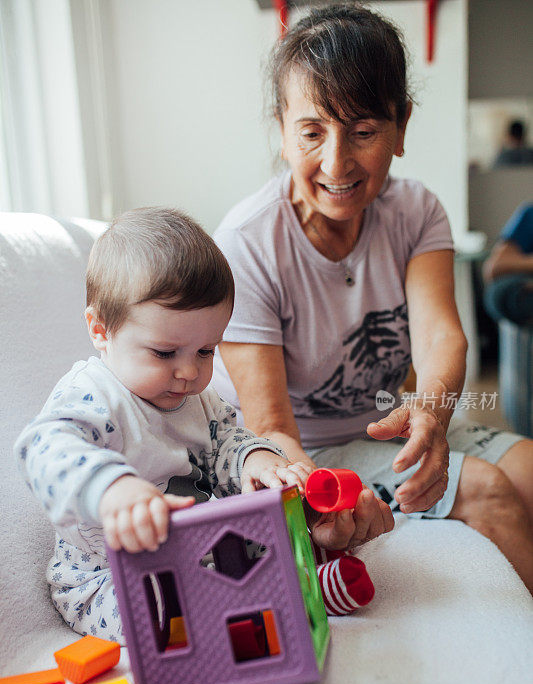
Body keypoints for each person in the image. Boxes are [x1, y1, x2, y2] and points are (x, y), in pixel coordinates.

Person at [211, 3, 533, 592]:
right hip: (306, 450)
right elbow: (271, 428)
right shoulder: (246, 244)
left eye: (363, 131)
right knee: (487, 488)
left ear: (401, 127)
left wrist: (432, 413)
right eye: (312, 132)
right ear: (281, 131)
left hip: (388, 425)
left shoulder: (415, 211)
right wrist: (321, 503)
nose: (337, 163)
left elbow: (440, 335)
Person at [14, 207, 374, 643]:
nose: (188, 372)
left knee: (283, 519)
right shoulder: (94, 395)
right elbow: (42, 447)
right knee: (167, 614)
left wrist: (257, 460)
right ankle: (279, 600)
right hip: (113, 576)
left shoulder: (195, 397)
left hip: (207, 549)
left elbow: (225, 441)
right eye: (165, 353)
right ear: (100, 330)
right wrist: (112, 490)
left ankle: (302, 583)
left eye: (206, 351)